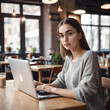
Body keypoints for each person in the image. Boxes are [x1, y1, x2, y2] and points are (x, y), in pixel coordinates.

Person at [35, 18, 105, 110]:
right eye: (61, 36)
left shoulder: (89, 56)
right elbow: (60, 81)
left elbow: (84, 93)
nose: (65, 39)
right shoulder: (69, 58)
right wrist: (41, 85)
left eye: (70, 34)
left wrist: (53, 90)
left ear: (80, 35)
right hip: (72, 105)